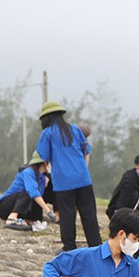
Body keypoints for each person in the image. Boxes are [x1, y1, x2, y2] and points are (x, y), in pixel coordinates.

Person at [35, 101, 101, 251]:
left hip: (64, 182)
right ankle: (96, 247)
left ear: (46, 118)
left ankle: (69, 247)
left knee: (67, 215)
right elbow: (86, 149)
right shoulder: (74, 130)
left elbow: (43, 155)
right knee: (89, 215)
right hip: (83, 179)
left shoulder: (48, 133)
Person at [0, 151, 55, 231]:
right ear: (45, 163)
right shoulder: (28, 172)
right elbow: (33, 192)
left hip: (22, 204)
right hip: (5, 206)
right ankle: (12, 218)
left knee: (37, 213)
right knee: (30, 192)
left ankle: (27, 221)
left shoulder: (42, 177)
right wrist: (48, 211)